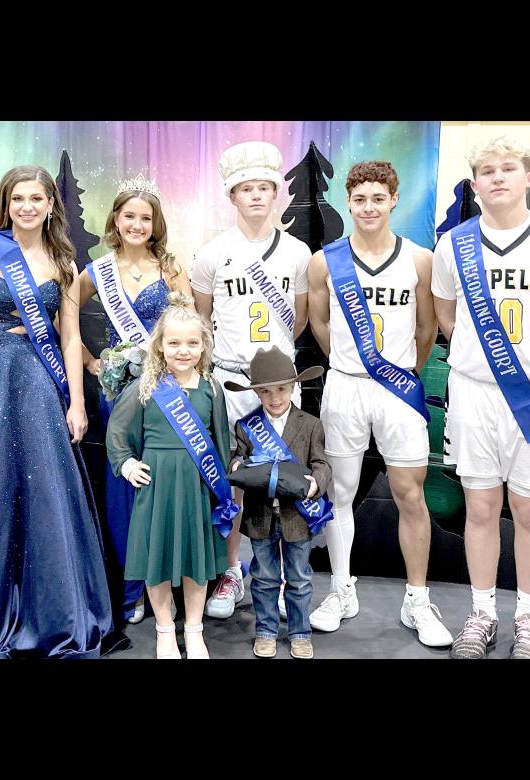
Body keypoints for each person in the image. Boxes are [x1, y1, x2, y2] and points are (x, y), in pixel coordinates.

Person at [0, 164, 112, 658]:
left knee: (46, 496)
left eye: (37, 198)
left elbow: (71, 334)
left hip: (40, 383)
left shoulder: (62, 258)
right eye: (19, 199)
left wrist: (77, 402)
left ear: (51, 204)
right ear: (6, 203)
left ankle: (50, 614)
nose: (27, 207)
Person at [431, 136, 530, 658]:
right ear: (474, 185)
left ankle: (528, 617)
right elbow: (447, 318)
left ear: (529, 178)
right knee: (478, 507)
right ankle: (482, 613)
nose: (497, 177)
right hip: (475, 392)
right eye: (486, 171)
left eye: (508, 168)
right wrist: (482, 360)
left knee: (529, 509)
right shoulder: (453, 244)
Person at [306, 160, 451, 646]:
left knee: (411, 493)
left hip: (398, 387)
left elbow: (426, 329)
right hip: (345, 386)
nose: (368, 207)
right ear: (349, 202)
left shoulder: (420, 259)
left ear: (394, 200)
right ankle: (342, 589)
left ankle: (417, 599)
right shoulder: (326, 261)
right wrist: (351, 366)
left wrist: (398, 369)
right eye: (360, 199)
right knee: (339, 492)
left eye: (378, 198)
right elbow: (320, 324)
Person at [191, 141, 312, 620]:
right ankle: (231, 572)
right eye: (247, 189)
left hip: (279, 387)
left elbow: (299, 320)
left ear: (276, 194)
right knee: (232, 483)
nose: (257, 197)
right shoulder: (212, 254)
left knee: (285, 481)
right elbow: (203, 319)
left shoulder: (299, 253)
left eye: (265, 188)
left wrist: (273, 374)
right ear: (232, 196)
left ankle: (282, 577)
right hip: (228, 382)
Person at [79, 175, 192, 626]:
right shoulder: (97, 271)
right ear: (116, 220)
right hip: (119, 395)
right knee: (126, 487)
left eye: (146, 218)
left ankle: (168, 581)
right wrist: (91, 362)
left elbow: (191, 327)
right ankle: (132, 584)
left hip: (167, 393)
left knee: (167, 483)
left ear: (155, 223)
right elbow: (62, 315)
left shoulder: (171, 268)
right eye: (130, 216)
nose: (137, 224)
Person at [106, 293, 236, 659]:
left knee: (197, 561)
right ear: (160, 346)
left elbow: (221, 445)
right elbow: (118, 432)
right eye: (174, 342)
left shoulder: (212, 388)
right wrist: (128, 464)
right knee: (156, 559)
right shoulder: (145, 388)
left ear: (203, 346)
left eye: (192, 343)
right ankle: (165, 630)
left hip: (197, 488)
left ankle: (194, 630)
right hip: (157, 487)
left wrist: (221, 488)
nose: (183, 350)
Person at [226, 346, 330, 659]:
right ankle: (266, 631)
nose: (275, 398)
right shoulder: (246, 426)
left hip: (298, 518)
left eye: (282, 389)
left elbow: (322, 463)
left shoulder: (310, 424)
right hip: (260, 518)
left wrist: (317, 483)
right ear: (256, 392)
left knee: (299, 579)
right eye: (266, 392)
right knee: (265, 578)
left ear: (294, 386)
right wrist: (235, 466)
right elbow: (238, 460)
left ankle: (300, 633)